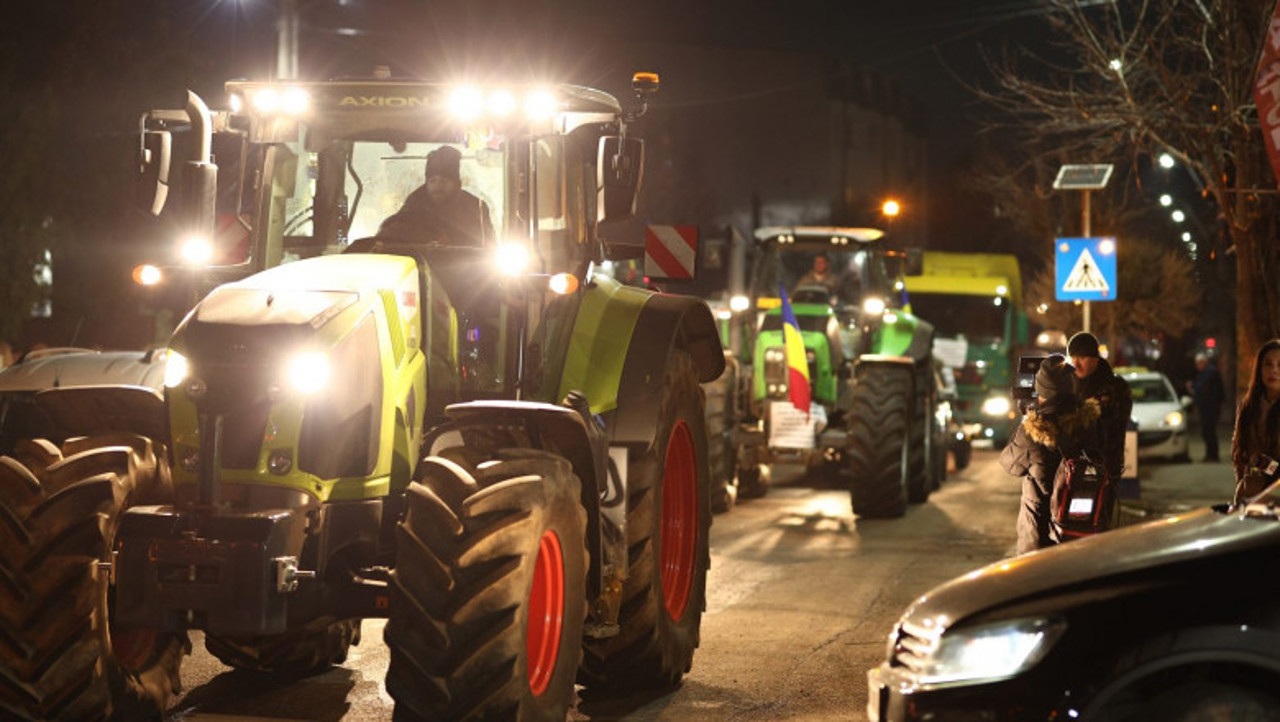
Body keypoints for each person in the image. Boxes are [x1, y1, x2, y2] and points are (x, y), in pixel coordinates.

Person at [999, 354, 1102, 554]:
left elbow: (1008, 463)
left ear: (1042, 390)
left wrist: (1028, 418)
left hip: (1041, 540)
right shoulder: (1091, 422)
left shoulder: (1034, 431)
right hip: (1087, 538)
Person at [378, 146, 494, 247]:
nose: (437, 185)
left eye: (444, 180)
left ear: (455, 183)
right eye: (433, 180)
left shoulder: (475, 209)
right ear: (426, 182)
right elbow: (389, 237)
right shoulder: (413, 208)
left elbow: (489, 249)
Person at [1067, 331, 1132, 481]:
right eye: (1073, 357)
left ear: (1095, 359)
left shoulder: (1115, 387)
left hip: (1105, 465)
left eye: (1082, 357)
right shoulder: (1065, 385)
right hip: (1070, 466)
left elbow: (1116, 424)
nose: (1076, 363)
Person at [1230, 339, 1280, 498]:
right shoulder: (1248, 407)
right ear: (1259, 368)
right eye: (1268, 364)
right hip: (1250, 494)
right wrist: (1242, 484)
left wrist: (1261, 462)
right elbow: (1239, 455)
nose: (1274, 370)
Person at [1189, 352, 1226, 462]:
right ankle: (1211, 454)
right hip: (1207, 406)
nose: (1197, 366)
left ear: (1203, 362)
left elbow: (1202, 385)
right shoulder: (1207, 372)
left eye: (1198, 363)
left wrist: (1193, 386)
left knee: (1208, 430)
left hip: (1209, 407)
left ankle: (1212, 455)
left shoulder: (1210, 372)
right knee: (1207, 431)